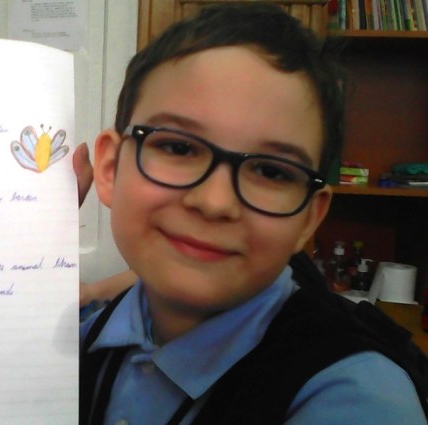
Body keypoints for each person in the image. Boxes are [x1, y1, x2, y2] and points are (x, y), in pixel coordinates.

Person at [76, 3, 428, 424]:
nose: (215, 202)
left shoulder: (357, 398)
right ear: (111, 169)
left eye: (271, 172)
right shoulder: (86, 335)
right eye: (178, 147)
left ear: (309, 218)